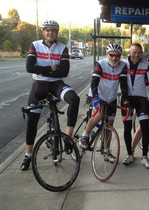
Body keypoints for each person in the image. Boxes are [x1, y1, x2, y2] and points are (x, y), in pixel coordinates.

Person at [20, 20, 80, 170]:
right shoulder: (35, 45)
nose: (50, 32)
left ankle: (68, 139)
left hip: (56, 84)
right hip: (39, 86)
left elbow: (64, 72)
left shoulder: (62, 48)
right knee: (32, 119)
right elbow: (29, 67)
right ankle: (28, 155)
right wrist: (51, 68)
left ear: (57, 33)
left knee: (74, 99)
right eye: (47, 30)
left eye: (53, 30)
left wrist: (40, 69)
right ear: (43, 32)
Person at [79, 42, 129, 163]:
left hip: (111, 98)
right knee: (100, 114)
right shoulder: (100, 64)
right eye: (111, 55)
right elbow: (94, 82)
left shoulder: (122, 65)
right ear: (107, 54)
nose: (114, 58)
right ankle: (84, 135)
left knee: (109, 126)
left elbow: (123, 84)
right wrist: (96, 98)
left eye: (117, 55)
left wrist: (126, 100)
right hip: (98, 95)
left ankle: (106, 151)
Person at [121, 43, 149, 168]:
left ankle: (144, 156)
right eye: (134, 52)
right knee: (127, 128)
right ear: (130, 52)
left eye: (139, 52)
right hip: (126, 99)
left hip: (142, 100)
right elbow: (107, 65)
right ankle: (129, 154)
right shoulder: (123, 64)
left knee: (145, 128)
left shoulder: (146, 65)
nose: (137, 55)